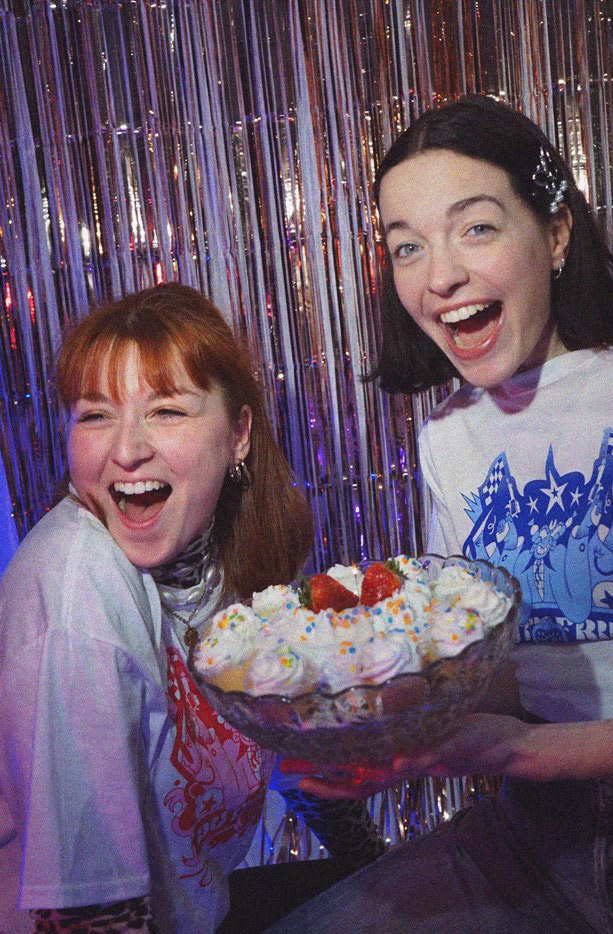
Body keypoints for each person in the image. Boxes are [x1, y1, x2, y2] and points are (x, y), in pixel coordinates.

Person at [269, 95, 613, 932]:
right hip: (534, 832)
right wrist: (382, 729)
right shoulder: (450, 436)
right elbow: (490, 676)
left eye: (476, 228)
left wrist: (527, 751)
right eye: (407, 245)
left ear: (556, 233)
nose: (439, 276)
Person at [0, 284, 383, 934]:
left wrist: (375, 869)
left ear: (238, 434)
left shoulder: (233, 550)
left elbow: (294, 750)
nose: (127, 449)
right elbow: (87, 916)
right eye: (95, 416)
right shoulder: (78, 587)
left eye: (166, 411)